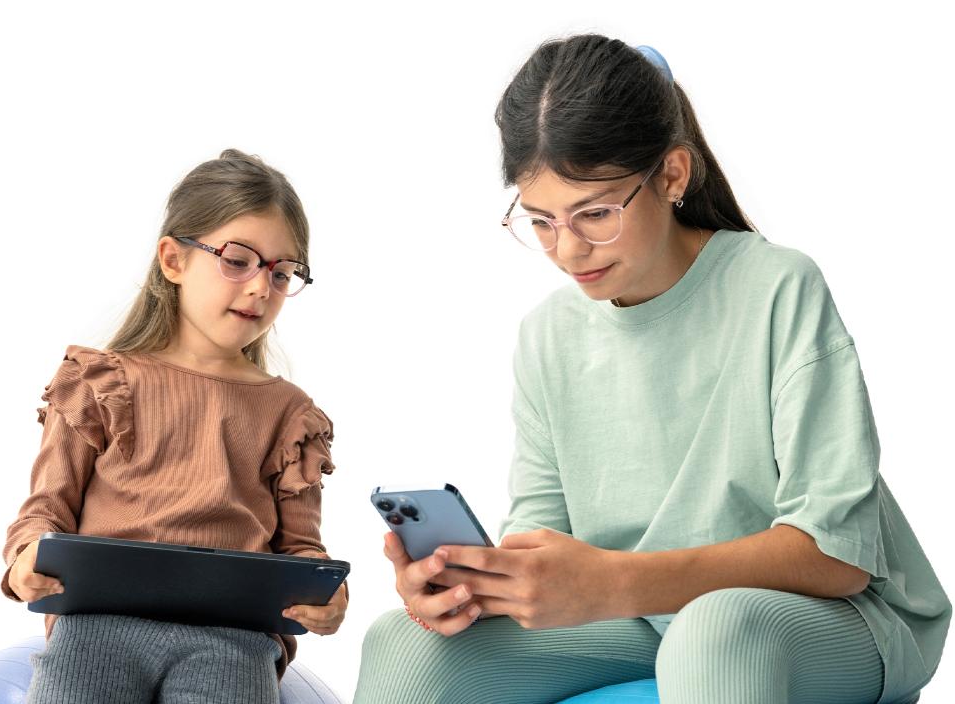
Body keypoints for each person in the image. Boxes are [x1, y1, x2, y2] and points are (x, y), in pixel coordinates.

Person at [354, 36, 950, 704]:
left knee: (713, 628)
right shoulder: (548, 336)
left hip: (828, 619)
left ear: (671, 174)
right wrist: (481, 584)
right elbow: (546, 538)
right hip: (638, 615)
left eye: (596, 213)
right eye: (543, 220)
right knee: (404, 642)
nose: (568, 249)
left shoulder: (778, 286)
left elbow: (836, 554)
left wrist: (613, 581)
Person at [1, 149, 347, 704]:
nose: (261, 287)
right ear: (173, 260)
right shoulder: (99, 382)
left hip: (232, 639)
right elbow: (45, 509)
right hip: (96, 626)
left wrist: (325, 593)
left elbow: (301, 546)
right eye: (238, 261)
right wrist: (23, 563)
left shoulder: (289, 413)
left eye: (282, 274)